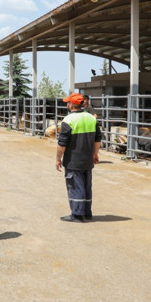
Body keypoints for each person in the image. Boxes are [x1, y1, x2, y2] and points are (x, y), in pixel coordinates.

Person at [55, 92, 102, 222]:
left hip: (73, 160)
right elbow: (98, 139)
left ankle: (77, 214)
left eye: (68, 102)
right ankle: (87, 212)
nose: (67, 104)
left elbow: (62, 143)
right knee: (87, 186)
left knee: (75, 186)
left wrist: (58, 158)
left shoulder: (68, 120)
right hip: (87, 159)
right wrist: (95, 154)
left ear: (71, 104)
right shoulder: (91, 118)